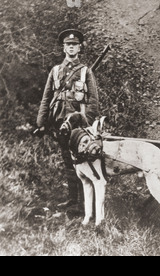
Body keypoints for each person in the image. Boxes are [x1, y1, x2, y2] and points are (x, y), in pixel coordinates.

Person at [34, 29, 100, 209]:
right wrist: (41, 122)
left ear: (79, 48)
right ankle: (73, 201)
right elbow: (46, 98)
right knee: (68, 163)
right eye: (68, 45)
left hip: (79, 127)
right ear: (64, 48)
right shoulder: (56, 71)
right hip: (59, 123)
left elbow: (93, 101)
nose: (71, 48)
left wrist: (86, 123)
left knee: (83, 162)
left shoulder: (85, 72)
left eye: (75, 45)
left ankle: (86, 204)